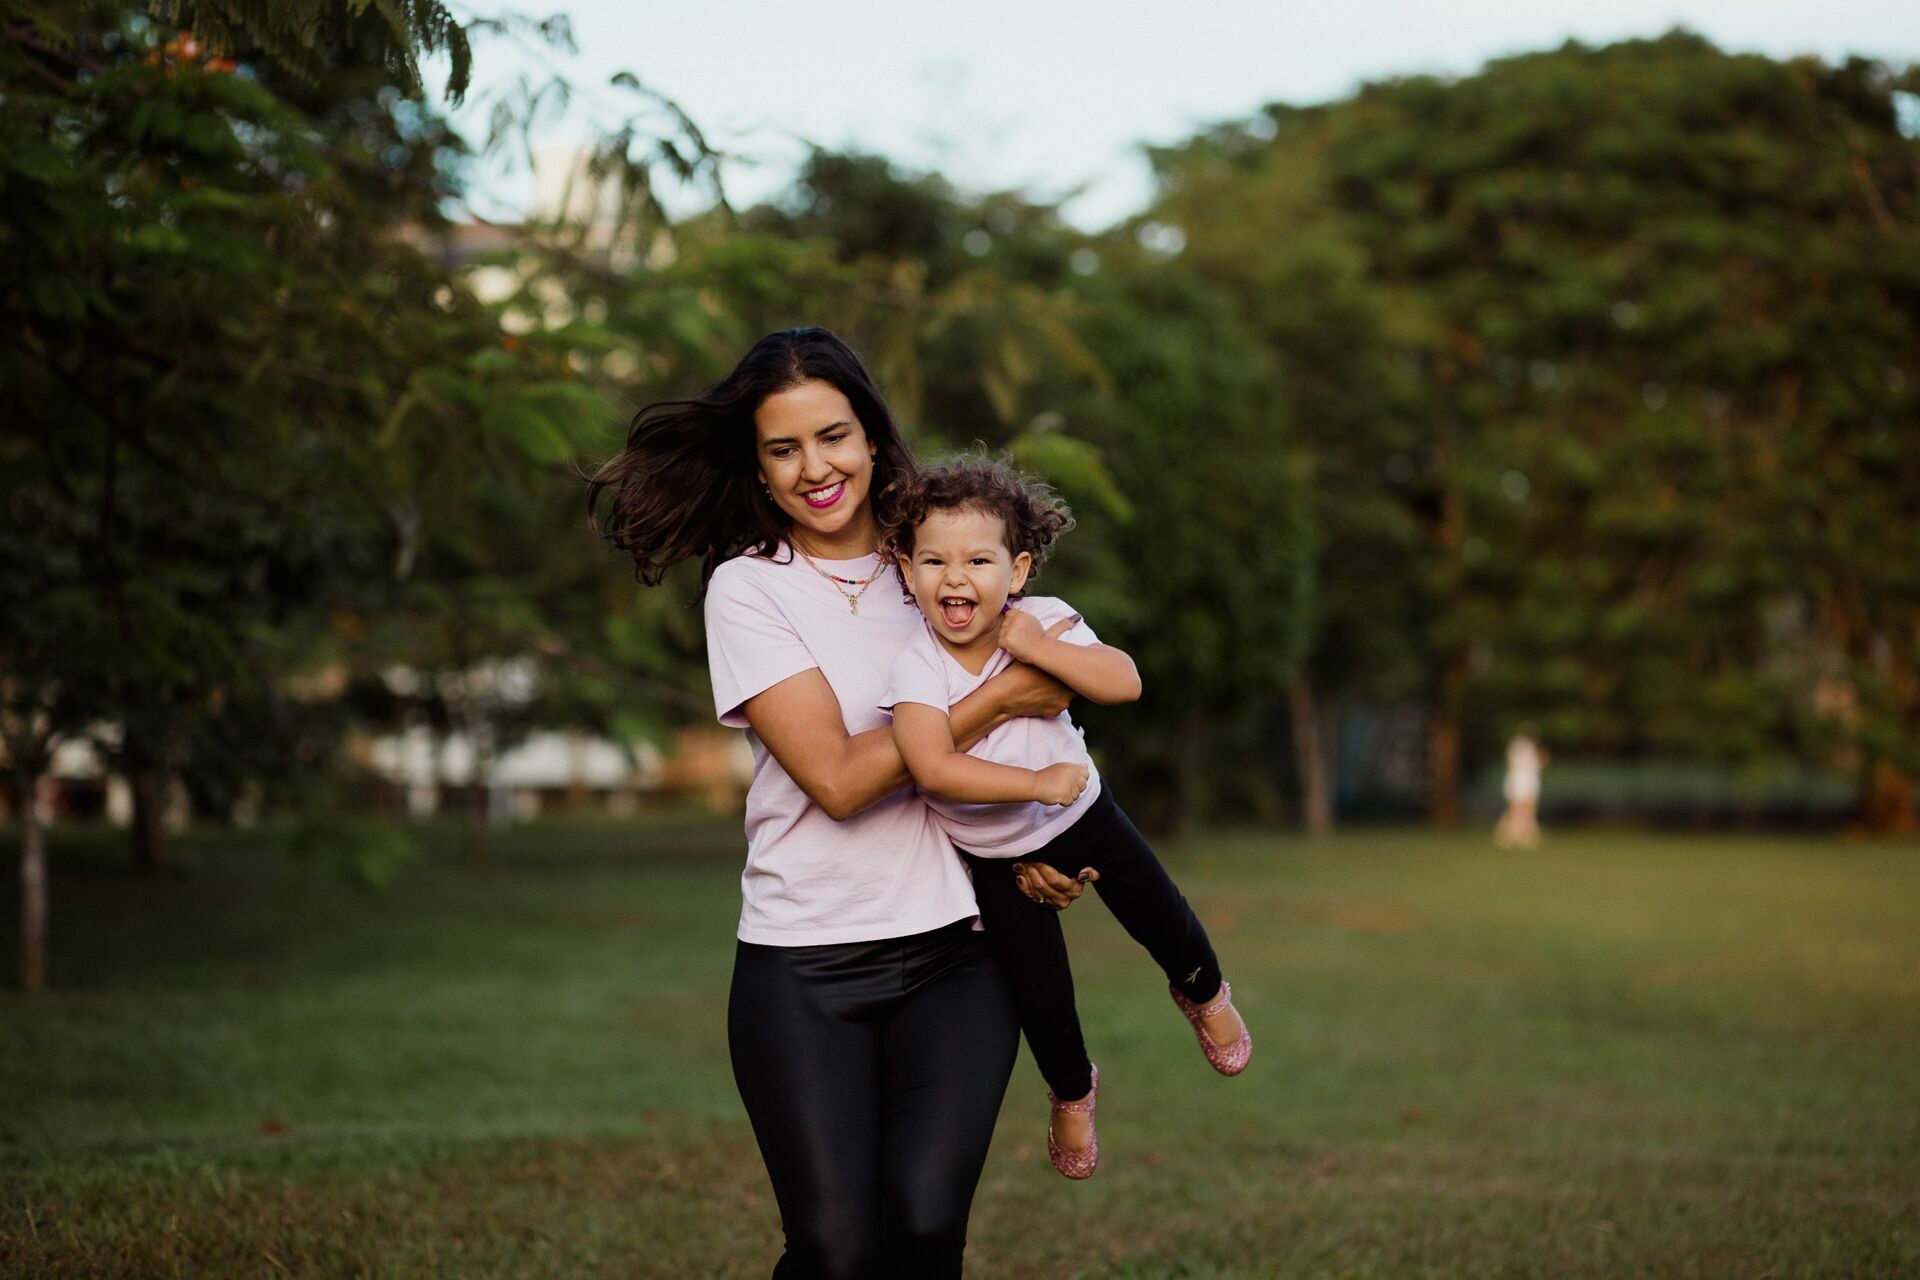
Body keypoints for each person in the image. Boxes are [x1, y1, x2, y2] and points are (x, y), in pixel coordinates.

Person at [586, 328, 1092, 1279]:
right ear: (761, 468)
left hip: (962, 953)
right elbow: (839, 779)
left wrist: (1040, 838)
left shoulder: (939, 560)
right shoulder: (748, 590)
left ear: (872, 438)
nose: (816, 467)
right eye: (785, 448)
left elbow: (1048, 726)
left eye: (834, 436)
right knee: (834, 1249)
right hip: (804, 965)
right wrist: (997, 700)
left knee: (927, 1230)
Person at [878, 456, 1252, 1182]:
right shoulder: (915, 665)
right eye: (934, 561)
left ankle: (1204, 992)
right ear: (906, 570)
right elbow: (931, 765)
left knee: (1163, 917)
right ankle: (1072, 1090)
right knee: (1039, 992)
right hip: (994, 857)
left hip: (1086, 815)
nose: (956, 578)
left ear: (1017, 571)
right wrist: (1030, 781)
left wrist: (1042, 650)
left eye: (978, 560)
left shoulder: (1044, 619)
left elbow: (1124, 681)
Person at [1495, 726, 1548, 848]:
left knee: (1526, 808)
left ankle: (1524, 833)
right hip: (1520, 780)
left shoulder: (1524, 747)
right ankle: (1508, 832)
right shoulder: (1520, 746)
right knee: (1518, 808)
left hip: (1526, 780)